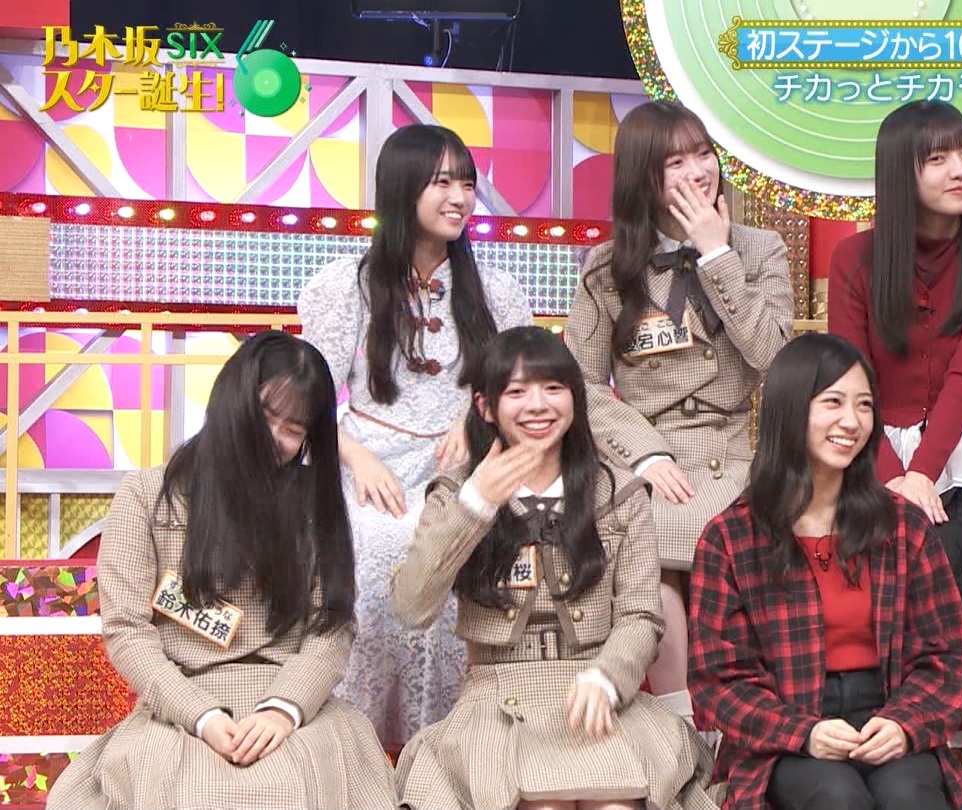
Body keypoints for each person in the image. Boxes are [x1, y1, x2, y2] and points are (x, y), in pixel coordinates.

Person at [46, 331, 396, 810]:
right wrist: (200, 715)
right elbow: (126, 630)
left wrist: (283, 710)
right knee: (193, 792)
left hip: (292, 706)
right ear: (231, 399)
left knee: (295, 788)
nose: (275, 437)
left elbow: (331, 627)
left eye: (294, 429)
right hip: (179, 704)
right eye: (266, 415)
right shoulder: (146, 496)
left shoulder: (315, 505)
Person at [391, 325, 717, 810]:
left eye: (553, 388)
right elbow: (411, 606)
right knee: (540, 802)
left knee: (616, 803)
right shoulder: (456, 493)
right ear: (485, 407)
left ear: (575, 399)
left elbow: (641, 616)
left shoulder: (618, 491)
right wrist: (476, 505)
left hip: (598, 688)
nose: (538, 406)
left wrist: (608, 677)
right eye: (517, 392)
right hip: (496, 697)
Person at [826, 99, 962, 800]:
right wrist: (893, 474)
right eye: (938, 158)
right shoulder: (855, 258)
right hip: (869, 443)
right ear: (902, 171)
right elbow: (849, 377)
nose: (961, 170)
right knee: (885, 543)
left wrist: (924, 471)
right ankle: (904, 723)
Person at [688, 332, 962, 810]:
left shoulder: (903, 525)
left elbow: (949, 655)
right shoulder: (730, 537)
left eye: (864, 405)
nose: (851, 421)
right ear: (790, 409)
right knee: (837, 797)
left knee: (909, 796)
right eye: (833, 402)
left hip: (888, 715)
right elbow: (718, 681)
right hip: (785, 735)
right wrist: (803, 732)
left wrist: (904, 724)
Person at [298, 123, 533, 746]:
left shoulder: (496, 291)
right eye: (443, 182)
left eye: (468, 184)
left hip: (464, 467)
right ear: (403, 189)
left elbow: (522, 385)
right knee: (381, 545)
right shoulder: (346, 285)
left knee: (455, 548)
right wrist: (356, 457)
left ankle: (450, 742)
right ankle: (358, 741)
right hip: (368, 463)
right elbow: (307, 396)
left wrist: (473, 423)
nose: (460, 198)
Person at [565, 100, 794, 726]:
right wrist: (644, 454)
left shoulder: (760, 249)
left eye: (703, 154)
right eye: (675, 162)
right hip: (649, 455)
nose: (698, 172)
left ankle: (748, 721)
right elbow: (580, 385)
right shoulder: (607, 266)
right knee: (652, 545)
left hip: (735, 450)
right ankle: (683, 731)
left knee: (753, 538)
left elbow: (774, 356)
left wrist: (717, 256)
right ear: (643, 176)